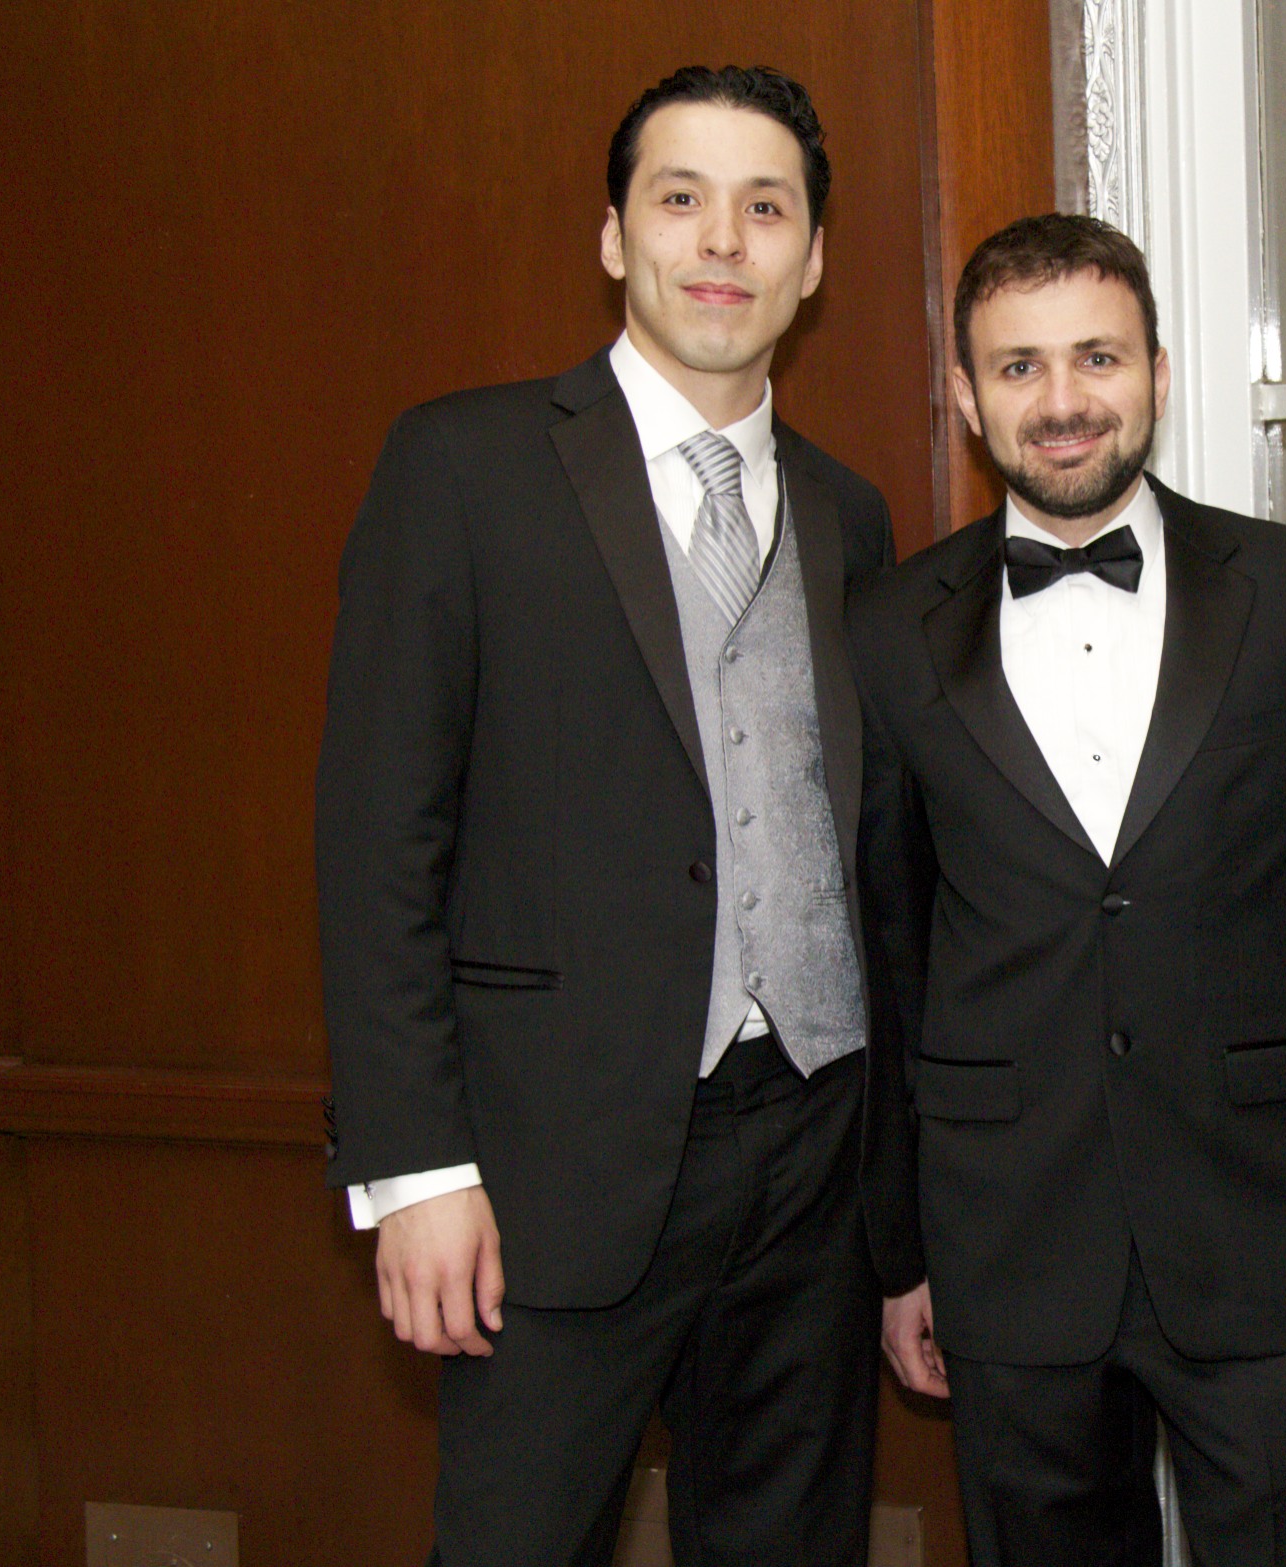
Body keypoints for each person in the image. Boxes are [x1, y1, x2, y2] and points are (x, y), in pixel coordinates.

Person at [316, 65, 895, 1565]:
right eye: (680, 198)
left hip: (812, 1155)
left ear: (813, 258)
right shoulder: (463, 465)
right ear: (614, 235)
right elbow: (379, 839)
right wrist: (418, 1169)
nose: (723, 240)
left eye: (765, 207)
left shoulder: (851, 514)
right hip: (549, 1168)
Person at [852, 214, 1286, 1567]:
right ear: (965, 395)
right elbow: (889, 947)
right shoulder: (888, 629)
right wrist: (902, 1245)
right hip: (1006, 1240)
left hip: (1249, 1228)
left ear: (1155, 366)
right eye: (1019, 366)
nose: (1064, 399)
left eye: (1097, 355)